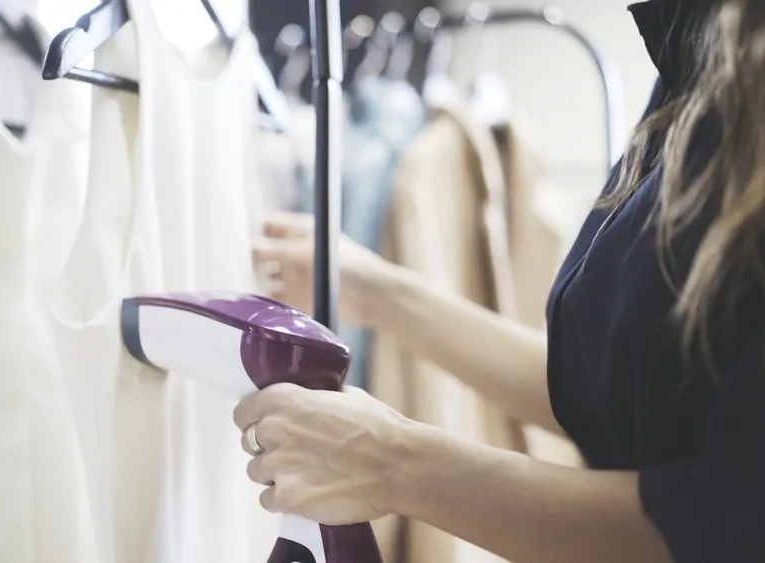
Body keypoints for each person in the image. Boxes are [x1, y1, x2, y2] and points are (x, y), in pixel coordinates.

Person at [232, 0, 765, 561]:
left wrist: (387, 461)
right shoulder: (703, 62)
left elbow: (723, 521)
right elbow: (614, 395)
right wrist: (377, 290)